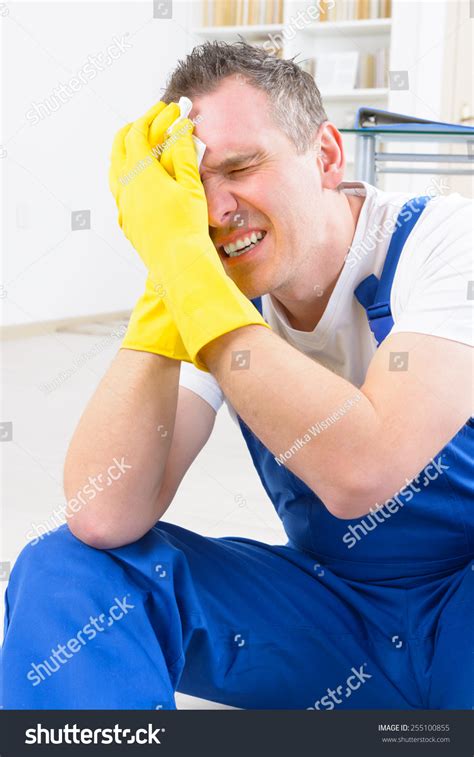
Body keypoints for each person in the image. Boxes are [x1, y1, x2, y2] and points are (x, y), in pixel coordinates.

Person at [2, 41, 472, 710]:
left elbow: (364, 471)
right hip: (334, 618)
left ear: (327, 157)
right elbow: (104, 512)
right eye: (193, 190)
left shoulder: (447, 241)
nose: (216, 213)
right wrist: (171, 275)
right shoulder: (219, 293)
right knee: (65, 568)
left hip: (464, 601)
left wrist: (196, 283)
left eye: (242, 167)